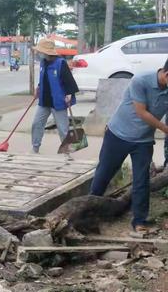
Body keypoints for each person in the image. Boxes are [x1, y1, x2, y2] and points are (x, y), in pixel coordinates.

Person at [91, 61, 168, 233]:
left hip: (143, 141)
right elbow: (141, 112)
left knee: (142, 180)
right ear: (166, 74)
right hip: (118, 135)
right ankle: (89, 214)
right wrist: (164, 129)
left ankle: (139, 221)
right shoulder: (141, 80)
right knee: (104, 174)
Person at [31, 38, 79, 153]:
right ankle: (35, 148)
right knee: (36, 124)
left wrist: (69, 94)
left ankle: (67, 152)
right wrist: (38, 87)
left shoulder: (60, 63)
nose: (39, 53)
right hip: (44, 101)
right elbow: (44, 78)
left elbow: (69, 81)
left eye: (41, 51)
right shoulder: (43, 63)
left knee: (63, 129)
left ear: (47, 52)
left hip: (58, 101)